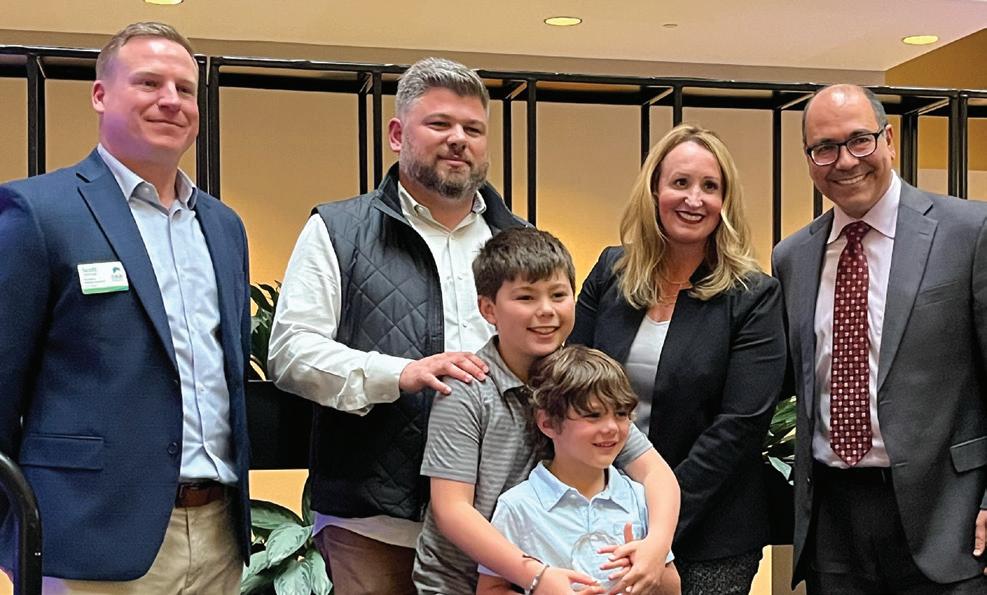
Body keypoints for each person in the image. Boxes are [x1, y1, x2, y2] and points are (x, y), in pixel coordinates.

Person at [0, 22, 251, 593]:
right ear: (100, 95)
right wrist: (13, 529)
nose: (171, 100)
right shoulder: (39, 212)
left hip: (218, 534)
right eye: (149, 83)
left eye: (184, 89)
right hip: (87, 535)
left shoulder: (223, 226)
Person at [267, 57, 526, 594]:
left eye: (473, 129)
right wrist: (398, 373)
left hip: (496, 524)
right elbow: (291, 351)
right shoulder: (338, 229)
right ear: (396, 135)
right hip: (373, 525)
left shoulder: (519, 240)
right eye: (439, 124)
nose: (458, 140)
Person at [772, 83, 987, 593]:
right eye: (825, 148)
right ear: (809, 160)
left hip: (948, 518)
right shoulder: (792, 258)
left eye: (859, 140)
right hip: (833, 522)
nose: (845, 161)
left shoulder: (970, 232)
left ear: (889, 139)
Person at [569, 123, 787, 594]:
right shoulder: (610, 272)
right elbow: (571, 384)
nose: (694, 199)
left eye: (710, 186)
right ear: (654, 191)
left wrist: (657, 520)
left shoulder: (754, 295)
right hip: (599, 515)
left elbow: (739, 428)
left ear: (725, 201)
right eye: (680, 182)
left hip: (710, 532)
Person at [415, 227, 680, 595]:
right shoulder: (466, 389)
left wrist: (656, 547)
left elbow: (656, 473)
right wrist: (535, 576)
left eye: (558, 295)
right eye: (526, 297)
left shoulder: (580, 379)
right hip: (462, 582)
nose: (546, 311)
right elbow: (452, 510)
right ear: (488, 309)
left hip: (557, 578)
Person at [476, 345, 680, 595]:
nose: (611, 428)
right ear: (548, 423)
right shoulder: (517, 506)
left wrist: (645, 572)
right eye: (593, 415)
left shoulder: (640, 499)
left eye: (621, 414)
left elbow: (673, 588)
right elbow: (490, 589)